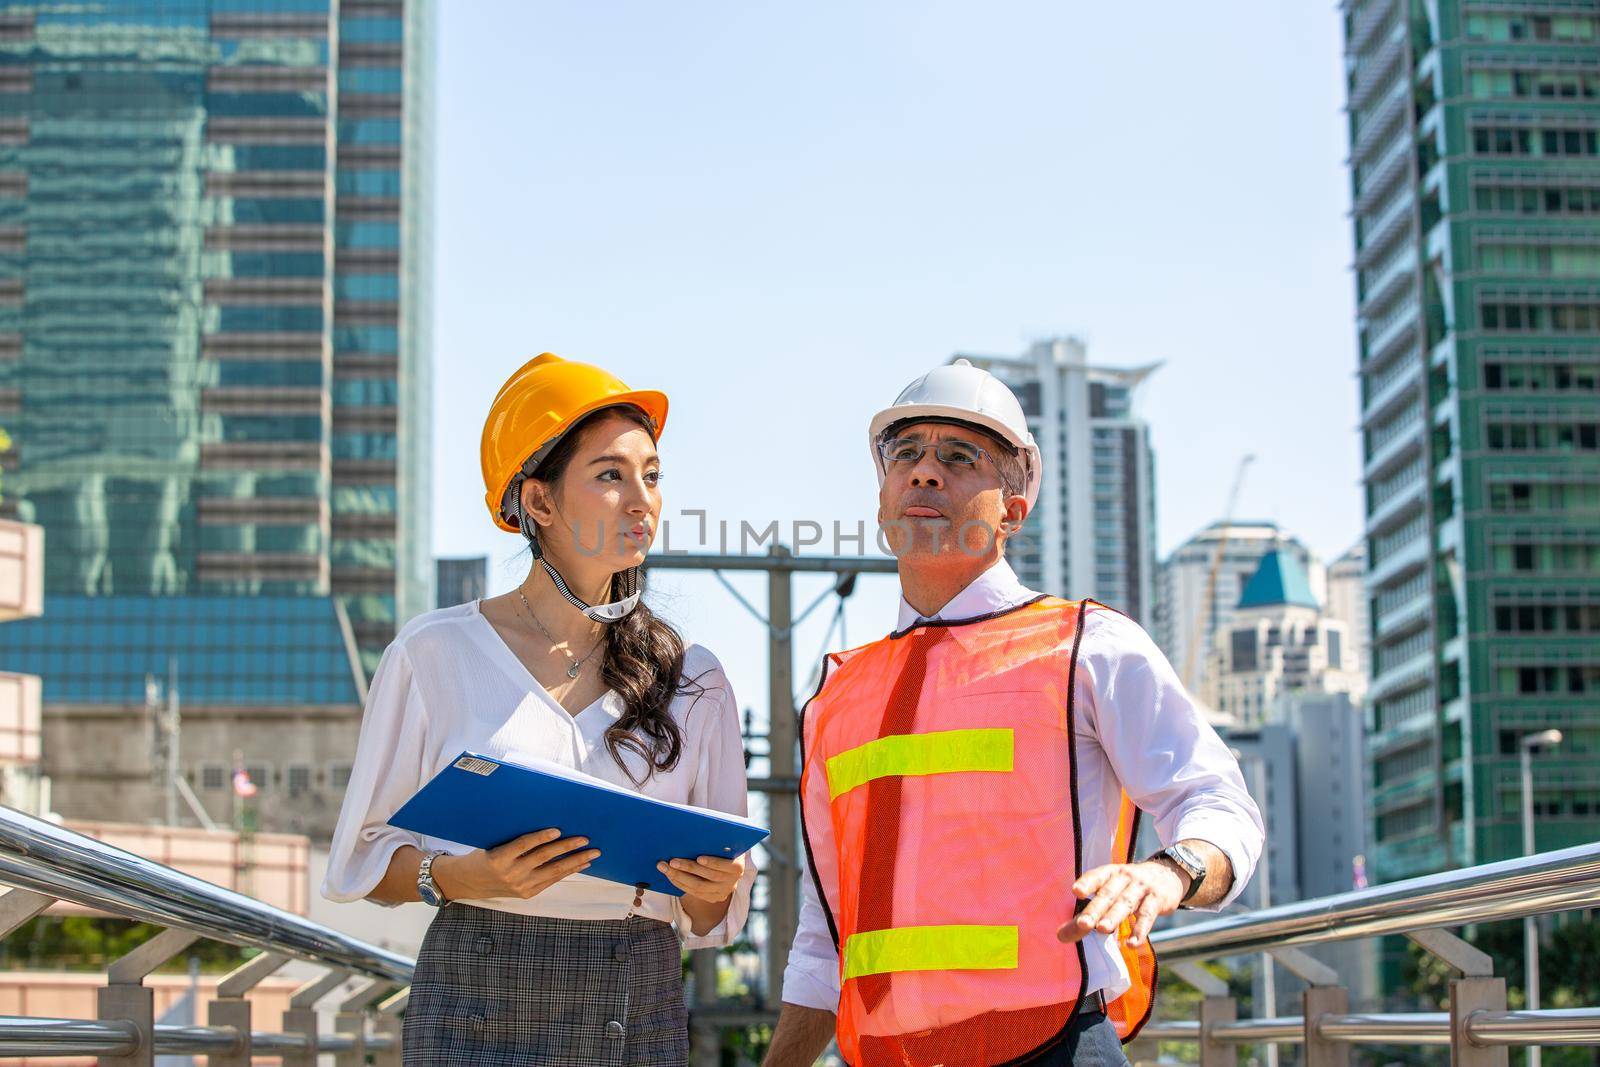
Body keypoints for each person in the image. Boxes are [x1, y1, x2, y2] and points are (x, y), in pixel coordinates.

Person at [763, 359, 1264, 1067]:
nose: (926, 472)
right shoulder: (836, 697)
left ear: (1014, 510)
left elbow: (1216, 799)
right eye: (906, 453)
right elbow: (826, 933)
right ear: (882, 499)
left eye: (960, 457)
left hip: (1053, 1048)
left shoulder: (1088, 646)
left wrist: (1169, 869)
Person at [322, 352, 757, 1067]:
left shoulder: (694, 677)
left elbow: (710, 919)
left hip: (635, 994)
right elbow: (362, 861)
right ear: (539, 500)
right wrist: (459, 878)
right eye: (610, 475)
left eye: (651, 474)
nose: (642, 499)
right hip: (472, 994)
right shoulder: (434, 653)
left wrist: (714, 890)